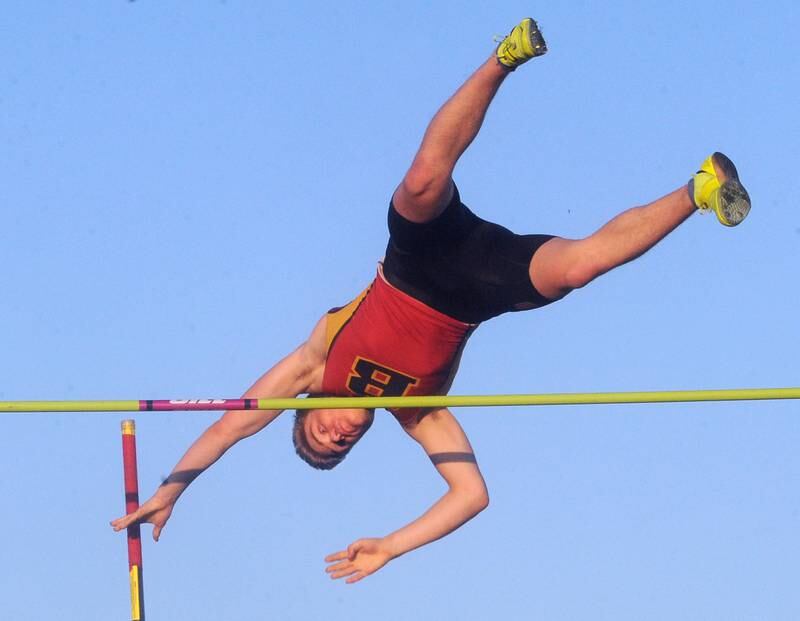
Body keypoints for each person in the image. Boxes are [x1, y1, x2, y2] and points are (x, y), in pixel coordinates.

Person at [111, 18, 751, 584]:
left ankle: (504, 57)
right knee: (581, 266)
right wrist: (390, 546)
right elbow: (471, 495)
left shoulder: (315, 363)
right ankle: (700, 187)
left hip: (416, 261)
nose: (336, 435)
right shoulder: (419, 413)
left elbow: (229, 426)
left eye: (319, 434)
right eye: (341, 448)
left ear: (304, 409)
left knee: (420, 182)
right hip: (480, 289)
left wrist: (172, 490)